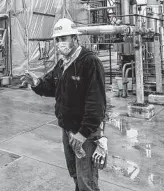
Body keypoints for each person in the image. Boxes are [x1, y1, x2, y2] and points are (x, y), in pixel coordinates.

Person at [21, 18, 108, 191]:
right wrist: (36, 82)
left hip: (85, 133)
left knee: (86, 181)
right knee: (75, 174)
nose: (60, 43)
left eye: (64, 38)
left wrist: (82, 134)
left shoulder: (90, 62)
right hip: (67, 130)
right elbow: (52, 86)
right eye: (58, 39)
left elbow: (96, 104)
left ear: (75, 38)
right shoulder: (62, 64)